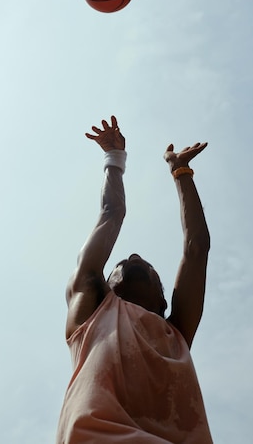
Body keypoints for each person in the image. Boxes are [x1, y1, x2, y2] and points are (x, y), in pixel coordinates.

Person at [56, 115, 213, 444]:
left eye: (149, 266)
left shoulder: (176, 334)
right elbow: (112, 212)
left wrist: (181, 171)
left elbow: (196, 249)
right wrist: (114, 159)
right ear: (105, 285)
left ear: (163, 300)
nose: (135, 257)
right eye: (122, 263)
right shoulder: (92, 313)